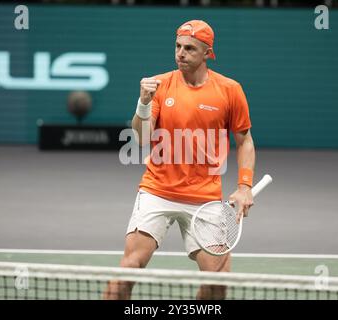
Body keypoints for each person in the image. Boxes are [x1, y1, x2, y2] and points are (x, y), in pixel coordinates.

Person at [104, 20, 255, 300]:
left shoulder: (230, 90)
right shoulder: (160, 85)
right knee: (128, 269)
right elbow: (142, 138)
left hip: (205, 197)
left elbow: (244, 140)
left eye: (189, 48)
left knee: (218, 283)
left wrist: (245, 186)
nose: (180, 53)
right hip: (157, 191)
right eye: (177, 46)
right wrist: (144, 103)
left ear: (208, 53)